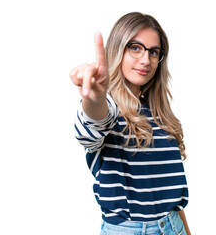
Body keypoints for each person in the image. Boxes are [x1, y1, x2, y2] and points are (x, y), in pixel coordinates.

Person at [70, 12, 191, 235]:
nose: (146, 60)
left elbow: (170, 199)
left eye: (153, 52)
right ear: (118, 50)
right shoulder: (109, 108)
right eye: (135, 47)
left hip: (175, 227)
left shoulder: (160, 115)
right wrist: (94, 99)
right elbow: (92, 125)